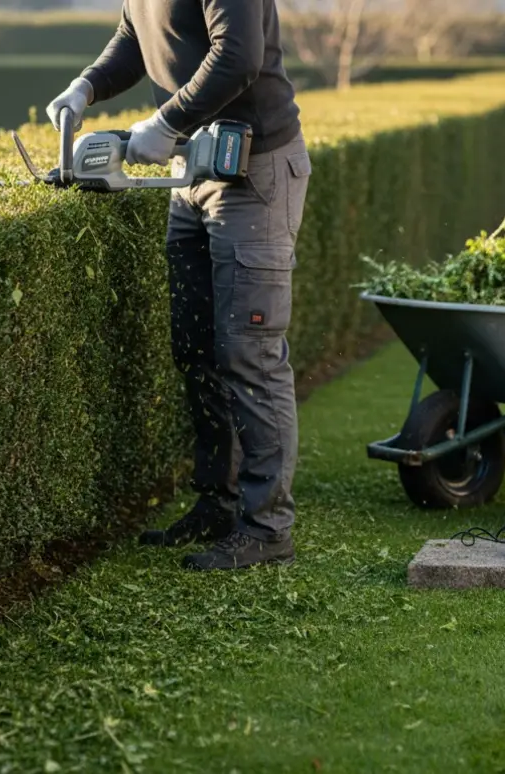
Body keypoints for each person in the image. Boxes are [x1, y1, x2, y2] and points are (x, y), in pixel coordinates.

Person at [45, 0, 312, 571]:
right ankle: (219, 504)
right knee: (196, 349)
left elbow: (239, 54)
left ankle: (267, 529)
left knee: (251, 354)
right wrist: (86, 86)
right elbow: (138, 31)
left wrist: (166, 122)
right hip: (193, 167)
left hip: (255, 168)